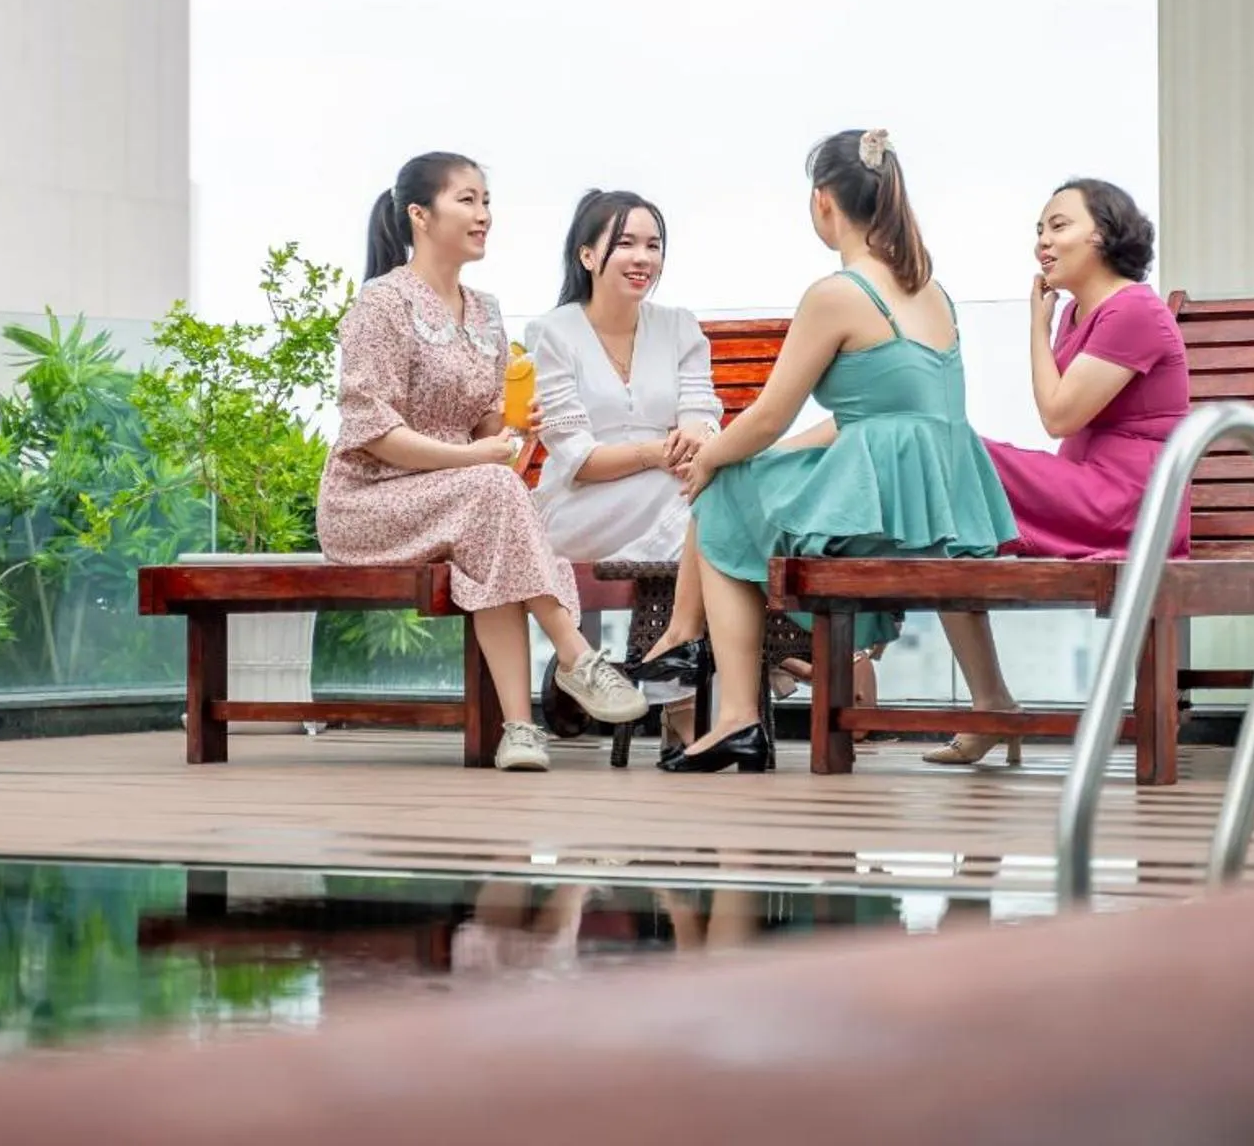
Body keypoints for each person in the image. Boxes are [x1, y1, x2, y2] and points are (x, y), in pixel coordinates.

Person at [672, 129, 1017, 774]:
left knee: (718, 506)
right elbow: (882, 418)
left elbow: (770, 415)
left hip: (877, 520)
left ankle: (736, 717)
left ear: (824, 200)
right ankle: (992, 699)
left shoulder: (838, 294)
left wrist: (712, 457)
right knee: (943, 559)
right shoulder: (932, 291)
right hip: (943, 509)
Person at [317, 152, 649, 772]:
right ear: (420, 214)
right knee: (493, 497)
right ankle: (577, 657)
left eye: (487, 201)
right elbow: (375, 431)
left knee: (492, 531)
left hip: (462, 499)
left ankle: (520, 730)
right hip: (370, 500)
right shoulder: (380, 306)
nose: (484, 215)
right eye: (467, 200)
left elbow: (489, 427)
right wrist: (476, 456)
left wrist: (515, 429)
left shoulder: (489, 311)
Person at [925, 177, 1191, 767]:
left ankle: (824, 655)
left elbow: (1058, 414)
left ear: (1105, 233)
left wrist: (1034, 329)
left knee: (951, 451)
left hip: (1129, 503)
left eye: (1059, 225)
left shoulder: (1133, 310)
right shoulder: (1078, 312)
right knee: (947, 523)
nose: (1043, 241)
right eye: (1039, 229)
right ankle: (992, 705)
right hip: (1086, 490)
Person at [525, 190, 722, 748]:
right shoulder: (552, 335)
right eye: (626, 244)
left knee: (700, 495)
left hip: (670, 496)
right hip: (578, 512)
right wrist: (661, 454)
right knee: (699, 499)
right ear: (588, 256)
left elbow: (702, 412)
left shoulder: (680, 327)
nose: (643, 258)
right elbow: (579, 461)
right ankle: (732, 669)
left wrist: (695, 435)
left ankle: (676, 691)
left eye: (653, 245)